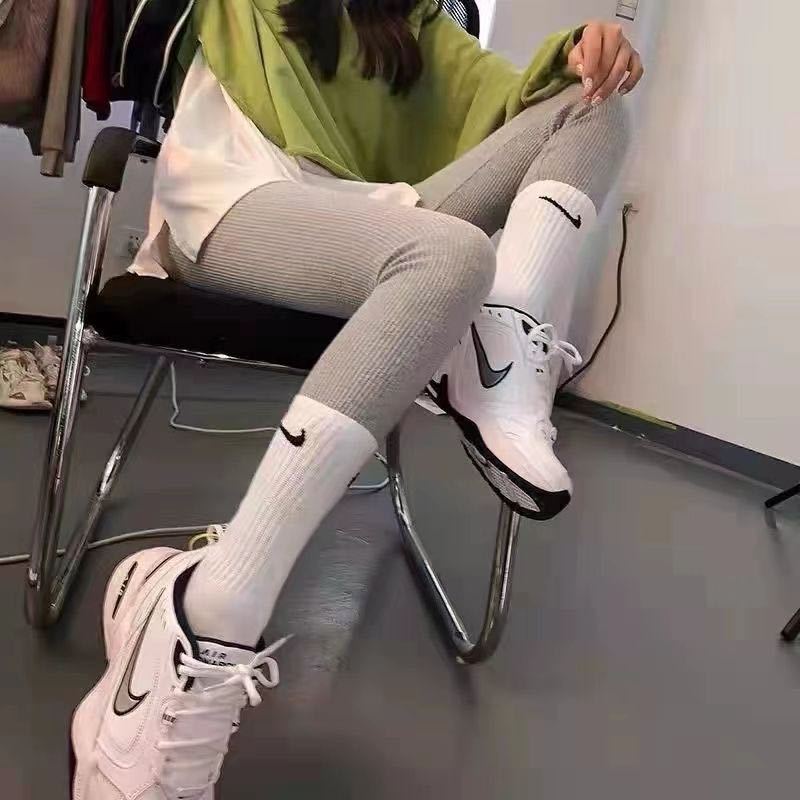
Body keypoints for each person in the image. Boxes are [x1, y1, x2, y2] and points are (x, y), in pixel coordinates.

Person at [71, 2, 642, 797]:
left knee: (597, 104)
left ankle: (498, 347)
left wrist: (581, 50)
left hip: (369, 221)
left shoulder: (413, 21)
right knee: (449, 258)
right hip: (237, 205)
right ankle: (212, 617)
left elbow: (509, 95)